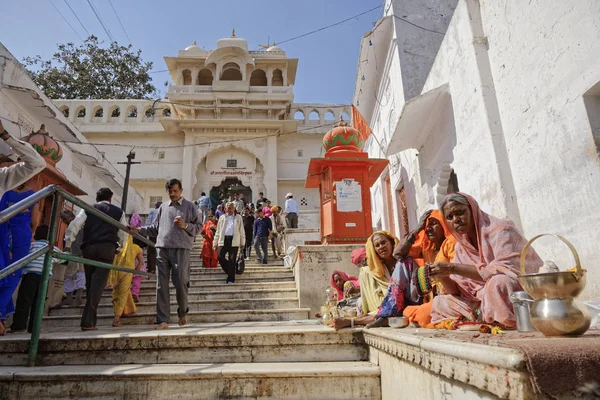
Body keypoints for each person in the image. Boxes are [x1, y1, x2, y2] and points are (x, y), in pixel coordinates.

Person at [428, 193, 542, 329]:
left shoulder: (502, 230)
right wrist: (441, 276)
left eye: (460, 212)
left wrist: (452, 268)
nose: (456, 220)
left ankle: (500, 321)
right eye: (450, 217)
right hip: (479, 300)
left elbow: (505, 270)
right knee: (439, 302)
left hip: (520, 292)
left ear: (473, 210)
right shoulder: (461, 247)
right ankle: (484, 316)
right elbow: (458, 291)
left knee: (498, 283)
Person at [130, 179, 201, 330]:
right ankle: (162, 320)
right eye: (170, 191)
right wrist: (139, 230)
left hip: (181, 249)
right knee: (161, 285)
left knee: (181, 282)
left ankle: (182, 312)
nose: (173, 194)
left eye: (175, 191)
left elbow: (199, 227)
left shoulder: (190, 207)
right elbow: (155, 228)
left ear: (181, 190)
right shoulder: (163, 207)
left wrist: (185, 225)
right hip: (162, 249)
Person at [0, 119, 45, 335]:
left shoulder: (3, 180)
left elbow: (37, 164)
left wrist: (6, 136)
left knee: (10, 275)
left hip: (10, 237)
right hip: (13, 235)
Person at [77, 188, 127, 331]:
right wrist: (120, 247)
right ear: (110, 198)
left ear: (97, 198)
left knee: (90, 282)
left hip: (89, 247)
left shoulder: (89, 208)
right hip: (107, 248)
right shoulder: (118, 212)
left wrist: (68, 243)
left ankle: (89, 320)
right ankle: (88, 322)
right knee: (97, 285)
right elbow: (122, 231)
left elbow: (76, 224)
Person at [333, 231, 398, 330]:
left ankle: (352, 321)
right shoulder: (376, 271)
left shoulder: (403, 263)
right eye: (377, 245)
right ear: (374, 250)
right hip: (383, 305)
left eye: (383, 243)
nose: (381, 247)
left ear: (392, 243)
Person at [9, 225, 64, 333]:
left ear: (36, 235)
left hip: (30, 275)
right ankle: (34, 328)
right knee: (39, 303)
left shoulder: (31, 245)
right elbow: (61, 258)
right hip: (44, 277)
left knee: (24, 301)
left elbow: (20, 252)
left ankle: (19, 326)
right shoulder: (52, 248)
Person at [0, 184, 39, 321]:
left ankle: (2, 317)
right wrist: (32, 233)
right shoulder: (33, 195)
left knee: (3, 273)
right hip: (21, 234)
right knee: (15, 274)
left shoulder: (6, 194)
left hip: (3, 233)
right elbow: (34, 221)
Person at [107, 235, 144, 327]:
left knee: (117, 293)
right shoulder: (136, 248)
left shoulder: (119, 247)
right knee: (122, 294)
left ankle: (127, 310)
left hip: (116, 272)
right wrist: (135, 271)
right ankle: (116, 320)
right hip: (127, 272)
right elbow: (141, 262)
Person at [214, 202, 245, 284]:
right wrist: (215, 242)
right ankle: (231, 270)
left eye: (231, 207)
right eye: (228, 207)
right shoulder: (222, 217)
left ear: (234, 208)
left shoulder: (238, 217)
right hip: (223, 239)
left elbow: (241, 230)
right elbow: (218, 231)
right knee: (220, 257)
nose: (230, 209)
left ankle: (230, 279)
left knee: (232, 259)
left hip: (234, 240)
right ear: (225, 208)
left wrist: (242, 242)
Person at [60, 210, 85, 307]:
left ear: (72, 217)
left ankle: (77, 298)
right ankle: (70, 297)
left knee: (79, 275)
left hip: (77, 254)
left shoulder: (76, 226)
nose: (64, 221)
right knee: (70, 275)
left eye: (65, 219)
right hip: (73, 254)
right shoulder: (72, 227)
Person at [128, 213, 147, 303]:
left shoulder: (129, 231)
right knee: (137, 280)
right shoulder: (140, 230)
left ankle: (128, 294)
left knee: (128, 280)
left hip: (129, 261)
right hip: (138, 256)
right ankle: (135, 293)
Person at [145, 201, 161, 274]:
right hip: (162, 235)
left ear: (155, 206)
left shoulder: (153, 212)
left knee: (151, 251)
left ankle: (151, 269)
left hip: (153, 234)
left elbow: (148, 223)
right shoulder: (165, 212)